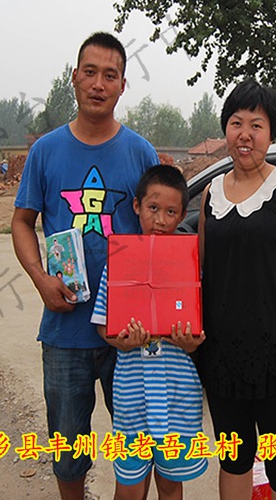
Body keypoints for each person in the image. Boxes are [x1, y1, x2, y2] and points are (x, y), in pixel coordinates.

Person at [11, 32, 159, 500]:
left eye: (110, 75)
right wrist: (40, 279)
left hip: (128, 333)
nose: (98, 84)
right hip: (64, 331)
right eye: (90, 73)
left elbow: (160, 234)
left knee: (135, 448)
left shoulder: (140, 153)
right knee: (68, 449)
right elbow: (21, 221)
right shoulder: (46, 151)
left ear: (122, 85)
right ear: (74, 78)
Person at [196, 78, 276, 499]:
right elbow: (201, 269)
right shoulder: (211, 193)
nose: (245, 134)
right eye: (237, 123)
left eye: (257, 125)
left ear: (271, 134)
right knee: (234, 457)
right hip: (222, 355)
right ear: (225, 129)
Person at [91, 164, 208, 500]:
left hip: (178, 395)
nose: (160, 220)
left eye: (171, 212)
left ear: (182, 215)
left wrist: (190, 344)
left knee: (170, 485)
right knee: (128, 487)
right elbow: (103, 324)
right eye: (153, 208)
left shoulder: (190, 266)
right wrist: (121, 342)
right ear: (137, 206)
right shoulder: (118, 263)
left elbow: (199, 334)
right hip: (132, 395)